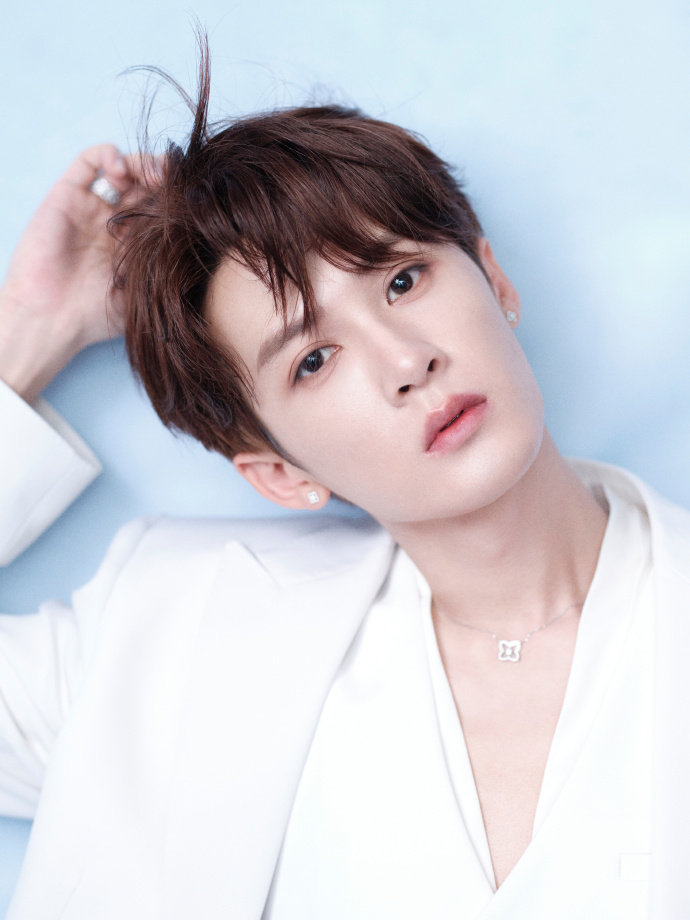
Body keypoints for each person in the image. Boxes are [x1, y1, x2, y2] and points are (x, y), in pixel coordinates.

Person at [1, 51, 689, 920]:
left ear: (495, 281)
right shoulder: (162, 634)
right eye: (314, 359)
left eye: (403, 280)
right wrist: (26, 334)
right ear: (279, 473)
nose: (407, 361)